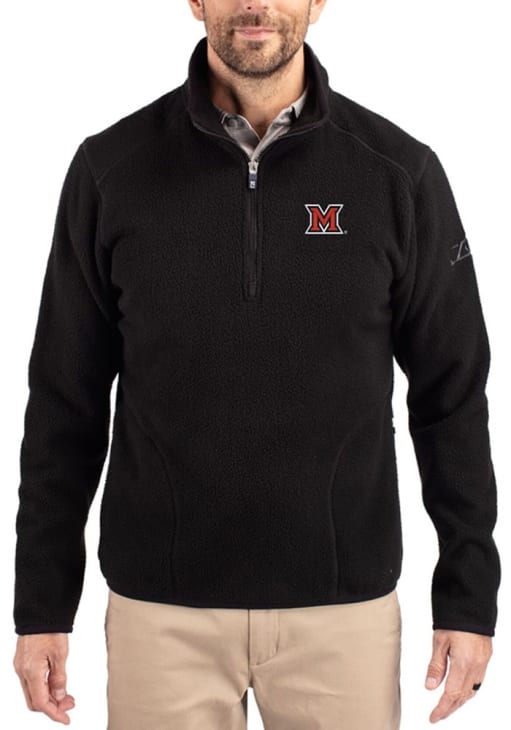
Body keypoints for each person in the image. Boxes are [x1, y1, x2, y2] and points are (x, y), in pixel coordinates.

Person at [12, 1, 500, 728]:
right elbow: (64, 401)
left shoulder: (398, 173)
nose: (254, 4)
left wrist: (467, 597)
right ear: (195, 2)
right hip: (160, 614)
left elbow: (451, 395)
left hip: (343, 615)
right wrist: (42, 607)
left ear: (316, 2)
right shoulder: (111, 170)